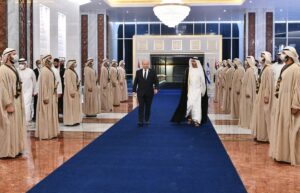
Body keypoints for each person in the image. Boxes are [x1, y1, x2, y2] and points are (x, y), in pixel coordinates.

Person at [270, 46, 300, 165]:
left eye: (283, 53)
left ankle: (289, 156)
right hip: (282, 102)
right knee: (282, 127)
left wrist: (296, 104)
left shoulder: (296, 69)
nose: (281, 55)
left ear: (290, 55)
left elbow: (298, 88)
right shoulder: (285, 67)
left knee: (290, 129)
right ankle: (282, 153)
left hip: (290, 103)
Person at [0, 48, 26, 157]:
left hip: (16, 100)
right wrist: (8, 103)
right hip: (9, 102)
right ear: (7, 56)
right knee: (8, 127)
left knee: (16, 126)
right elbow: (2, 88)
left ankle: (16, 148)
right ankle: (7, 151)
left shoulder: (12, 68)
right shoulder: (2, 70)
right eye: (13, 54)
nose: (15, 56)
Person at [171, 58, 206, 127]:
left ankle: (197, 120)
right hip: (190, 91)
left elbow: (203, 82)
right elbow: (187, 82)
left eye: (194, 62)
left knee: (197, 106)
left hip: (198, 91)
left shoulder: (201, 70)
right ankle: (189, 117)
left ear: (197, 62)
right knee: (190, 104)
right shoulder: (189, 70)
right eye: (192, 62)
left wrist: (202, 91)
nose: (193, 63)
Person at [250, 51, 274, 142]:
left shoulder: (268, 69)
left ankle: (265, 137)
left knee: (264, 116)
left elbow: (268, 84)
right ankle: (260, 135)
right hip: (261, 94)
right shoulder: (264, 68)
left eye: (262, 56)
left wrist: (266, 95)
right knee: (260, 115)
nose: (260, 58)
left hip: (265, 96)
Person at [36, 54, 60, 140]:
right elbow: (44, 86)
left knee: (50, 114)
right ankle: (45, 134)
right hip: (47, 98)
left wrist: (55, 86)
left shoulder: (49, 70)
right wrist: (45, 97)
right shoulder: (44, 71)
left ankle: (51, 132)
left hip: (51, 95)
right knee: (46, 115)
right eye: (49, 59)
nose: (51, 61)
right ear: (46, 61)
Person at [133, 59, 159, 127]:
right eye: (144, 64)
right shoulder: (138, 72)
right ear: (142, 64)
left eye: (147, 64)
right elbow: (135, 82)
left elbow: (156, 81)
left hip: (149, 93)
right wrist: (134, 91)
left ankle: (147, 120)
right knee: (141, 107)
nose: (145, 65)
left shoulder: (152, 72)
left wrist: (156, 88)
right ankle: (140, 121)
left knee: (148, 107)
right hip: (140, 93)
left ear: (148, 64)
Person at [239, 56, 257, 129]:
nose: (246, 62)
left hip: (247, 93)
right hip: (248, 91)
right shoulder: (252, 69)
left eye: (247, 61)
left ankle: (247, 123)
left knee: (247, 108)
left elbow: (249, 82)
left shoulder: (249, 70)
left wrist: (248, 92)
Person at [63, 60, 82, 126]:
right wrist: (71, 91)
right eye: (74, 63)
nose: (75, 64)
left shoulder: (73, 71)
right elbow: (69, 83)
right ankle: (70, 121)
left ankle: (75, 120)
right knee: (71, 106)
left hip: (75, 90)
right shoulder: (68, 71)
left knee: (75, 106)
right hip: (70, 92)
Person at [18, 58, 37, 123]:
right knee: (20, 105)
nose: (21, 65)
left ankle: (26, 120)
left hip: (28, 91)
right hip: (19, 92)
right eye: (20, 63)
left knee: (27, 105)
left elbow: (34, 82)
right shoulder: (17, 71)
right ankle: (20, 119)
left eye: (22, 63)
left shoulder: (30, 71)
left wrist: (34, 91)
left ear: (25, 64)